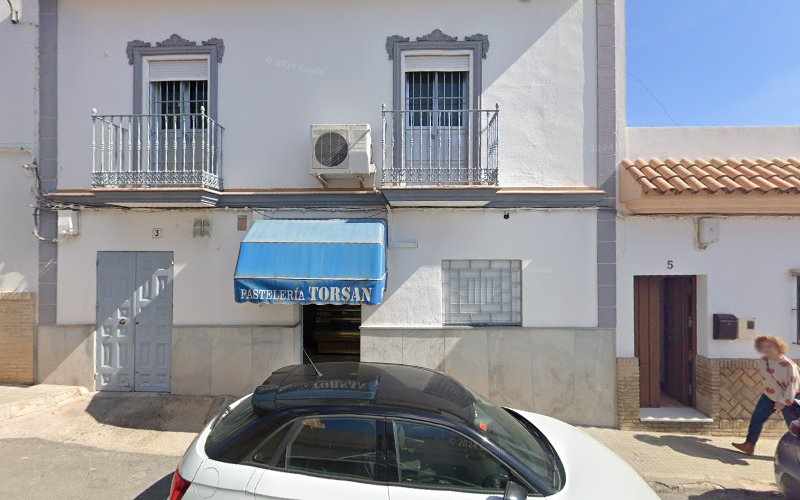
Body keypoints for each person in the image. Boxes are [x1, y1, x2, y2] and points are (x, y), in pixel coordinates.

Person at [732, 335, 800, 455]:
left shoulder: (789, 365)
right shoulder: (763, 361)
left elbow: (793, 385)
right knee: (757, 418)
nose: (766, 349)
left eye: (770, 346)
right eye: (763, 347)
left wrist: (782, 402)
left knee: (794, 425)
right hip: (769, 396)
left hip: (789, 398)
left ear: (778, 347)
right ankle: (749, 445)